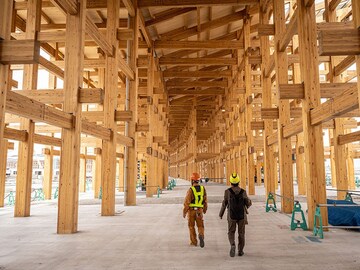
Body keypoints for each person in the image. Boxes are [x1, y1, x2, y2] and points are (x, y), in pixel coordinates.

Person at [219, 173, 252, 257]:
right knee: (241, 233)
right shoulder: (243, 191)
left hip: (231, 215)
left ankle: (232, 245)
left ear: (230, 182)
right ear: (238, 181)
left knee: (231, 232)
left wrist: (221, 214)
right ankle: (240, 251)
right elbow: (248, 203)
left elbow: (224, 204)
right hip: (241, 216)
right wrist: (247, 204)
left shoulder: (227, 192)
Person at [183, 172, 208, 248]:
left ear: (192, 180)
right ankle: (201, 235)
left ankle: (194, 242)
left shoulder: (191, 190)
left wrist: (184, 211)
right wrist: (204, 209)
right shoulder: (203, 189)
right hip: (199, 210)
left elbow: (187, 202)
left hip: (191, 211)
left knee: (191, 226)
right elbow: (205, 200)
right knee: (200, 225)